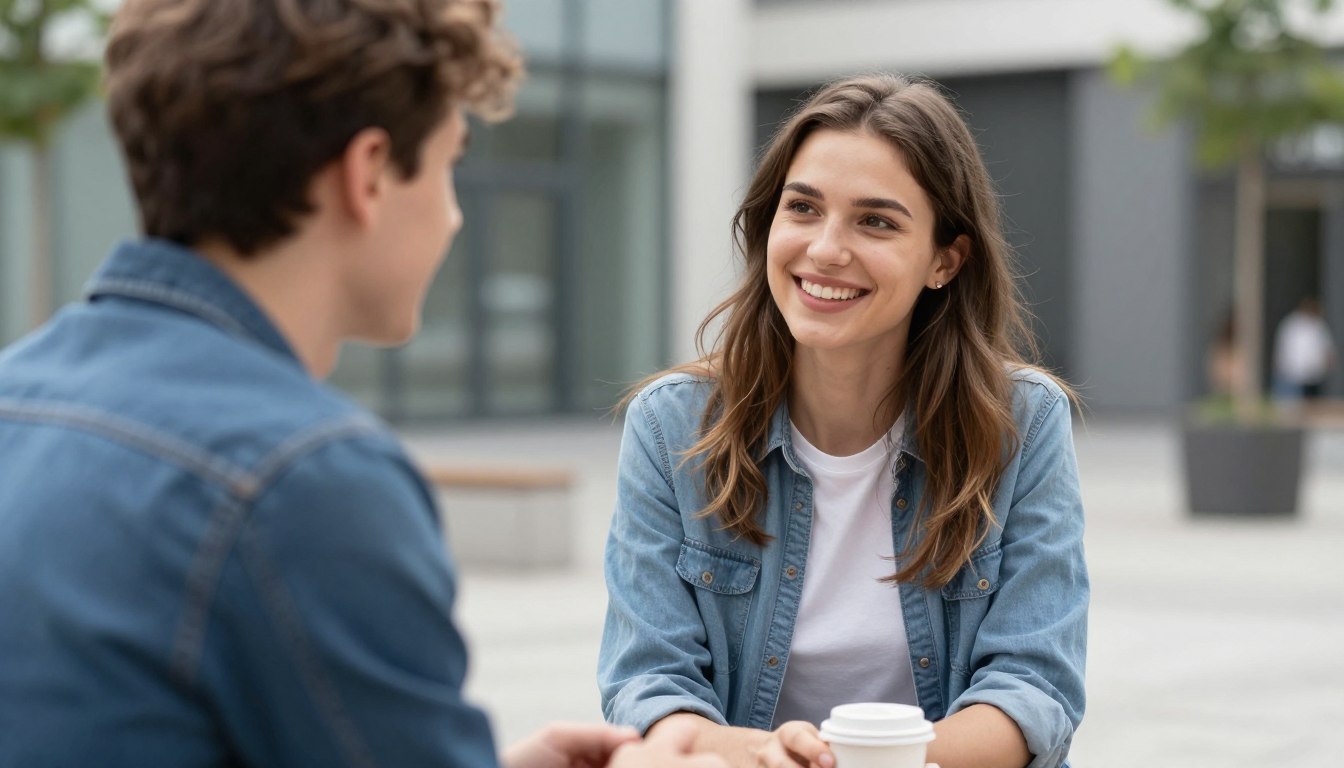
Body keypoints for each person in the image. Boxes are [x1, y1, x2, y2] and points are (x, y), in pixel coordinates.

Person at [0, 2, 725, 767]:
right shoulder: (307, 478)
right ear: (369, 171)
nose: (452, 218)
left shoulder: (17, 394)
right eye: (450, 165)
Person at [598, 74, 1088, 768]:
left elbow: (1034, 693)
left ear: (945, 260)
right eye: (803, 208)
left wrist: (862, 762)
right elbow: (649, 687)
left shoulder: (1023, 423)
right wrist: (779, 755)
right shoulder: (669, 427)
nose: (826, 249)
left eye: (876, 221)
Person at [1273, 296, 1337, 402]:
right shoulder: (1292, 324)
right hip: (1293, 374)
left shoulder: (1318, 325)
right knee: (1292, 405)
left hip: (1313, 376)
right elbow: (1285, 348)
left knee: (1312, 405)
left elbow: (1326, 348)